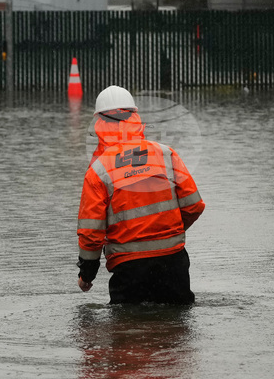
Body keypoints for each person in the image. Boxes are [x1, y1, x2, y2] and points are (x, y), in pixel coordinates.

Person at [76, 86, 205, 304]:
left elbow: (91, 232)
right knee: (177, 332)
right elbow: (194, 206)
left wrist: (87, 275)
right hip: (173, 263)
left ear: (98, 124)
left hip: (129, 268)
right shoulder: (165, 154)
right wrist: (165, 231)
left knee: (129, 331)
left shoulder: (98, 170)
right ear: (135, 118)